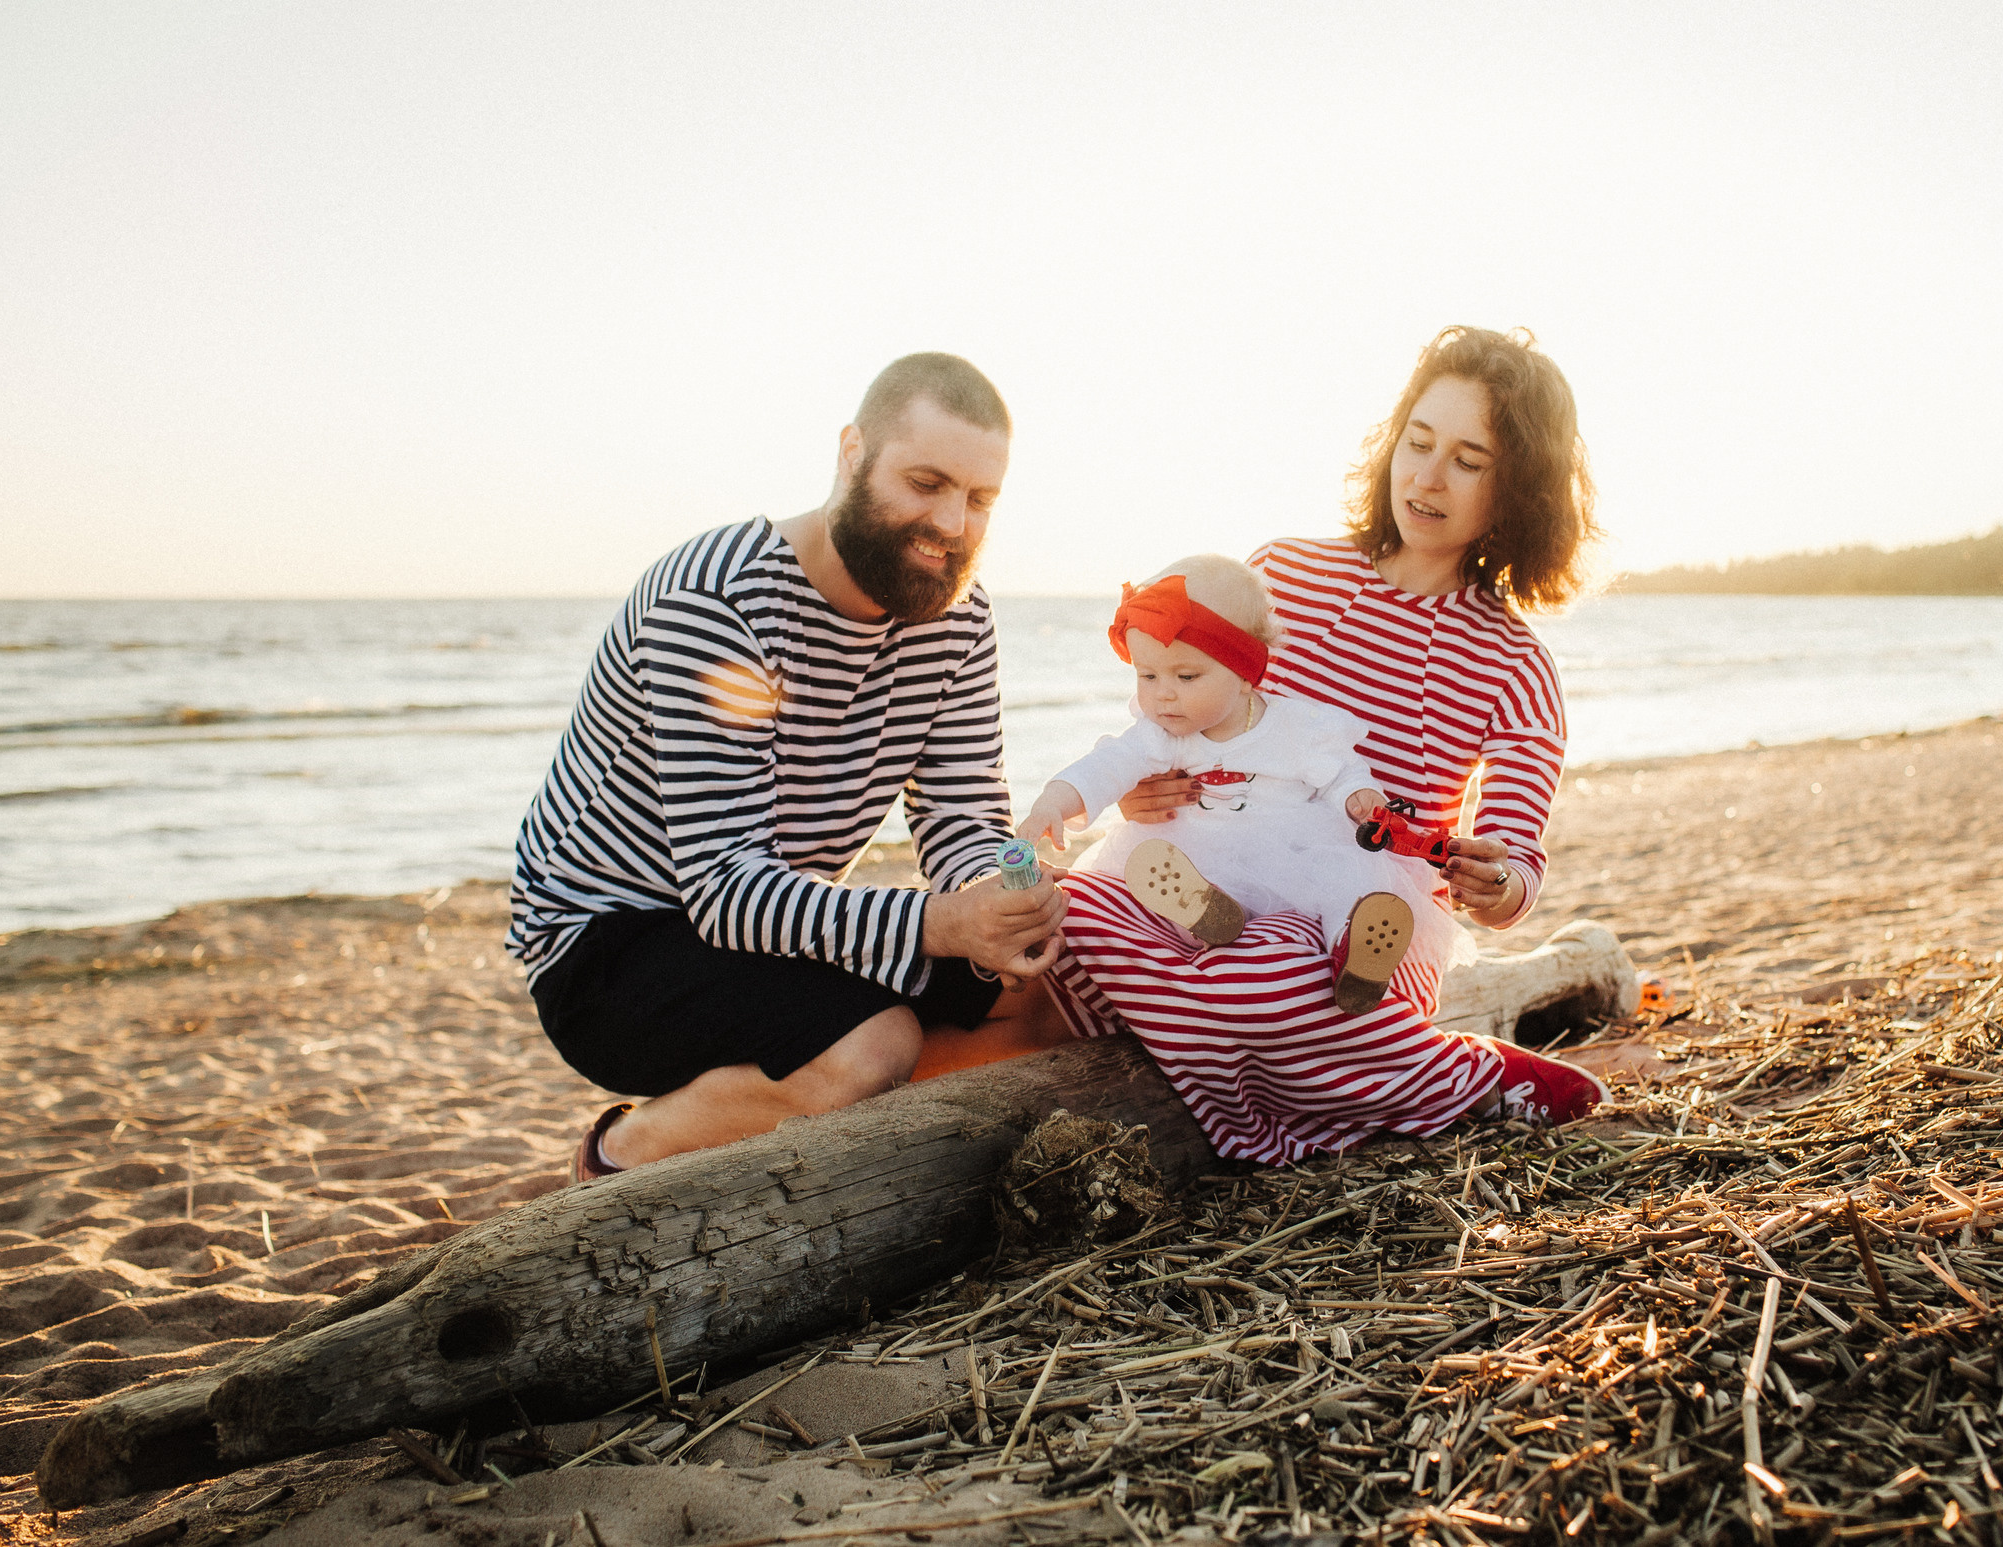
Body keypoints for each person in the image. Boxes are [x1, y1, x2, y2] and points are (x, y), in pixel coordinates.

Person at [1036, 326, 1609, 1164]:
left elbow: (1519, 863)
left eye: (1469, 459)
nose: (1427, 475)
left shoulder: (1516, 663)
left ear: (1519, 486)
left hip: (1358, 937)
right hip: (1209, 883)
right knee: (1074, 907)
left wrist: (1496, 882)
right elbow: (1184, 709)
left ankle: (1462, 1074)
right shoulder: (1282, 575)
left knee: (1273, 973)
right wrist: (1141, 791)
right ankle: (1324, 1063)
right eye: (1418, 441)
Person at [508, 352, 1065, 1181]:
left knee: (1045, 1000)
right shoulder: (717, 599)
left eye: (979, 498)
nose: (952, 524)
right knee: (874, 1045)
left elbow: (960, 812)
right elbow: (725, 887)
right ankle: (621, 1151)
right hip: (609, 941)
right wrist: (941, 926)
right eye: (926, 482)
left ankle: (799, 1108)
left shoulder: (958, 614)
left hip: (768, 924)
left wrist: (996, 899)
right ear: (851, 453)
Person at [1014, 554, 1471, 1015]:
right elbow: (1107, 765)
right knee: (1148, 874)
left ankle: (1356, 952)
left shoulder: (1295, 726)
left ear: (1245, 672)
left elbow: (1338, 770)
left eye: (1185, 675)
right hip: (1198, 852)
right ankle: (1206, 917)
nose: (1162, 693)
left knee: (1354, 880)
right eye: (1146, 675)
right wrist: (1055, 801)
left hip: (1295, 852)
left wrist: (1359, 796)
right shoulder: (1162, 733)